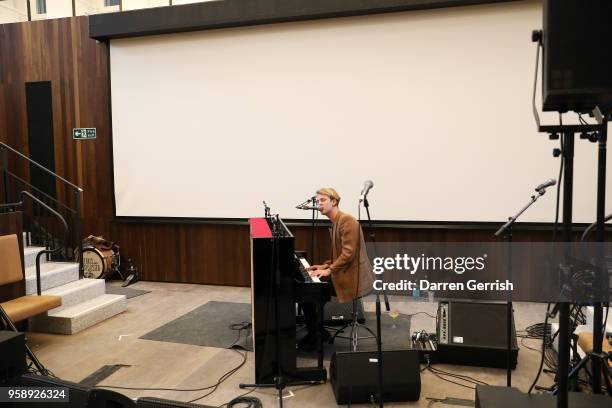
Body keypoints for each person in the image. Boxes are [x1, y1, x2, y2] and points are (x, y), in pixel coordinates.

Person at [298, 187, 374, 350]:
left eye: (323, 200)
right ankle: (318, 331)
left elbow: (348, 254)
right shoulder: (336, 221)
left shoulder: (347, 221)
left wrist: (328, 270)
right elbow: (340, 254)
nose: (319, 204)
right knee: (308, 289)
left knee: (309, 292)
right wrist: (324, 265)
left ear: (334, 201)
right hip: (344, 271)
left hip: (353, 277)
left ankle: (315, 334)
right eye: (318, 201)